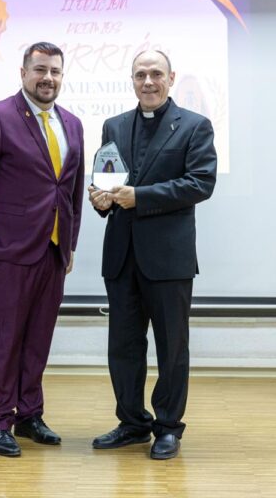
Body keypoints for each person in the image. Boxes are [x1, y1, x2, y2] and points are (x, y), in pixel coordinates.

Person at [0, 42, 85, 457]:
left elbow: (71, 190)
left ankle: (29, 414)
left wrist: (70, 244)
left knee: (38, 339)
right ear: (23, 72)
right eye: (40, 69)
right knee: (3, 339)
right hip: (6, 250)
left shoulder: (73, 124)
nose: (48, 78)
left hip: (52, 251)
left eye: (55, 71)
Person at [88, 50, 217, 460]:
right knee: (123, 347)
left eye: (156, 74)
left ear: (171, 78)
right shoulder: (114, 125)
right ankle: (132, 423)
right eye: (140, 74)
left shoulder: (195, 126)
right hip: (121, 256)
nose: (148, 81)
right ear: (132, 80)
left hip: (168, 259)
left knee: (171, 349)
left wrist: (139, 197)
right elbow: (107, 181)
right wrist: (100, 200)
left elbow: (200, 183)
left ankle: (168, 427)